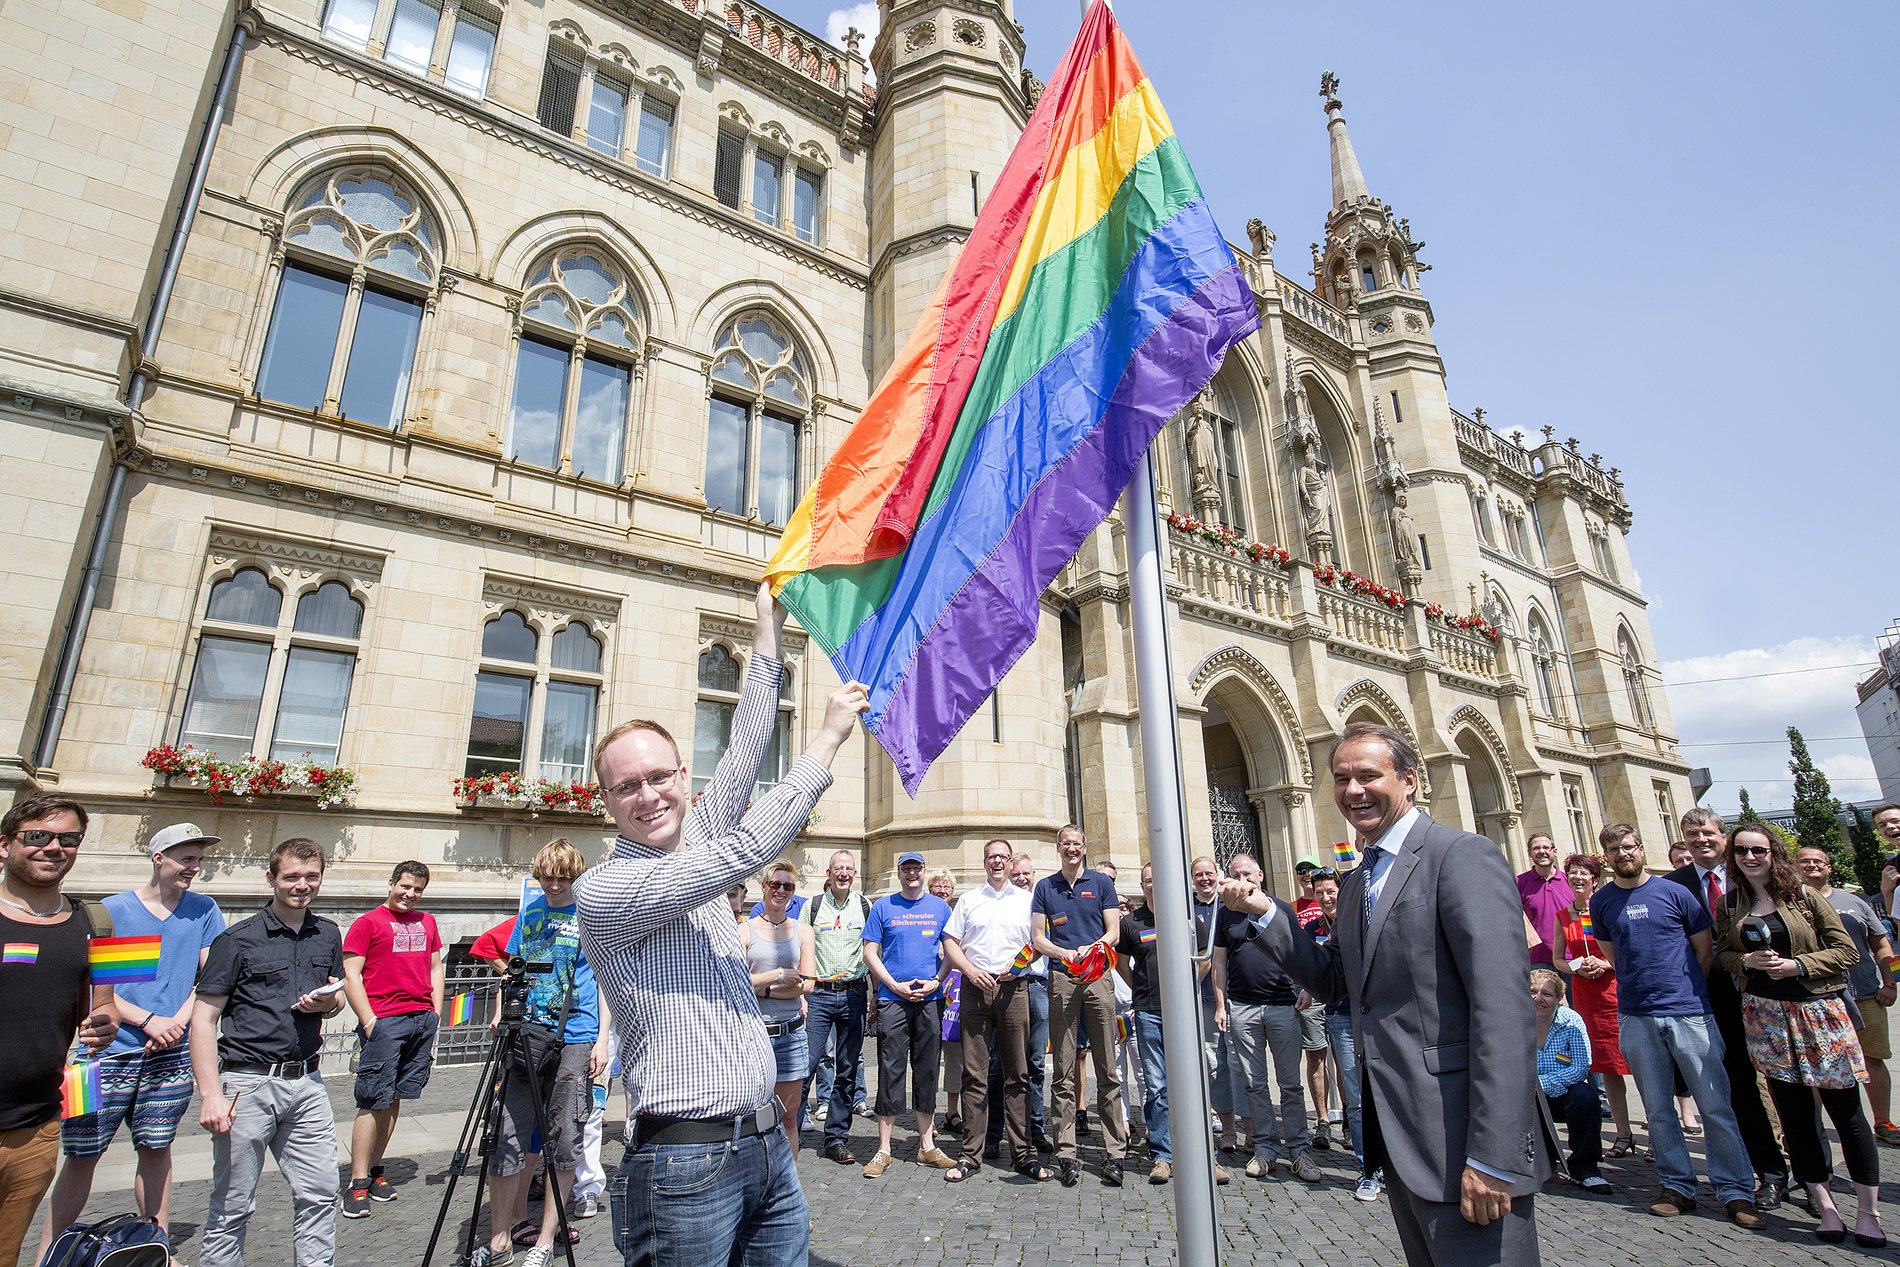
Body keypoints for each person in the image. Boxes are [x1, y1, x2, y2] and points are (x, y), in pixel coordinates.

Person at [575, 582, 863, 1267]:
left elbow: (745, 746)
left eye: (658, 776)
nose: (648, 795)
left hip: (766, 1141)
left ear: (681, 773)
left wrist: (767, 623)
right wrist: (824, 741)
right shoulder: (606, 888)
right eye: (627, 786)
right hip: (684, 1161)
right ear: (607, 800)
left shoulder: (693, 834)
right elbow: (744, 851)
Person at [1221, 722, 1551, 1267]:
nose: (1354, 790)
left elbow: (1504, 1012)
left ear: (1410, 781)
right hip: (1400, 1138)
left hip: (1465, 1139)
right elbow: (1337, 983)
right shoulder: (1358, 881)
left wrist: (1495, 1158)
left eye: (1369, 775)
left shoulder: (1461, 856)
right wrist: (1264, 913)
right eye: (1342, 778)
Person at [36, 821, 223, 1264]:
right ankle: (51, 1250)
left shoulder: (204, 910)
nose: (194, 867)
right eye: (185, 858)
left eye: (198, 859)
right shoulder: (113, 911)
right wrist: (150, 1020)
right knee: (81, 1155)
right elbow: (102, 987)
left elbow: (212, 976)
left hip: (170, 1054)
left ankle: (153, 1242)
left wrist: (176, 1021)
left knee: (157, 1148)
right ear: (159, 859)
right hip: (100, 1054)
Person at [1590, 822, 1762, 1229]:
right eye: (1613, 850)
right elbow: (1614, 956)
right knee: (1658, 1109)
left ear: (1641, 848)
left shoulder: (1675, 892)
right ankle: (1676, 1186)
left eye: (1628, 847)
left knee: (1716, 1105)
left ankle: (1736, 1190)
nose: (1622, 855)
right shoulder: (1602, 902)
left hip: (1689, 1012)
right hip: (1636, 1014)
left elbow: (1705, 952)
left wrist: (1681, 991)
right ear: (1606, 857)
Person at [1717, 826, 1881, 1245]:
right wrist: (1747, 961)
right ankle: (1824, 1205)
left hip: (1818, 1012)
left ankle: (1868, 1212)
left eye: (1759, 849)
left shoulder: (1804, 896)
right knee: (1794, 1116)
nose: (1750, 857)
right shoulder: (1730, 903)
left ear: (1774, 853)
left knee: (1847, 1114)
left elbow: (1847, 951)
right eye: (1741, 850)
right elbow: (1723, 954)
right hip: (1765, 1016)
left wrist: (1799, 966)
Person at [190, 836, 347, 1267]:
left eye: (311, 876)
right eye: (292, 876)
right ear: (271, 879)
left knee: (320, 1194)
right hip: (247, 1082)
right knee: (233, 1205)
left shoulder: (328, 933)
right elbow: (203, 1019)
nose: (302, 885)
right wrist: (210, 1095)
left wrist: (328, 1003)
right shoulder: (237, 940)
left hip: (308, 1082)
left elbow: (337, 999)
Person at [0, 795, 117, 1267]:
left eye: (68, 839)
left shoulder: (97, 923)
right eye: (37, 836)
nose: (54, 847)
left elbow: (104, 1007)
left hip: (36, 1128)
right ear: (4, 845)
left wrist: (103, 1026)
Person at [481, 840, 609, 1267]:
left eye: (562, 878)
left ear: (577, 876)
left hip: (575, 1035)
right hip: (527, 1034)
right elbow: (515, 966)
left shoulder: (591, 916)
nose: (553, 885)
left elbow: (608, 983)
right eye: (546, 877)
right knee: (507, 1135)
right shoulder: (532, 911)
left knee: (565, 1137)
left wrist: (602, 1040)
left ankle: (545, 1240)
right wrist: (503, 1013)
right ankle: (499, 1237)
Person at [1666, 806, 1788, 1209]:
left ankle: (1812, 1174)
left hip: (1772, 994)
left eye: (1707, 832)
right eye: (1691, 834)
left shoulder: (1752, 874)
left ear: (1724, 835)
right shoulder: (1675, 884)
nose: (1700, 840)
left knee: (1791, 1088)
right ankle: (1769, 1172)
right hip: (1715, 998)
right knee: (1739, 1087)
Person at [339, 859, 444, 1219]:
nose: (410, 895)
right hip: (385, 1020)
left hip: (420, 1020)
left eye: (417, 890)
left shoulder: (427, 922)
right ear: (391, 883)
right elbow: (351, 974)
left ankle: (376, 1170)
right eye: (405, 887)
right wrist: (369, 1021)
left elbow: (435, 966)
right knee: (372, 1099)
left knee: (396, 1096)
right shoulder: (367, 923)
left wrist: (435, 1011)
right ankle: (356, 1182)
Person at [941, 838, 1049, 1182]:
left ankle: (1023, 1153)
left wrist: (1018, 967)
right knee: (975, 1074)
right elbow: (950, 942)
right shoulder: (970, 899)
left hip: (1014, 989)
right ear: (984, 862)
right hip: (975, 988)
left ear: (1010, 861)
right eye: (992, 857)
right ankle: (971, 1154)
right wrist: (969, 970)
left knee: (1018, 1073)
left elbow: (1038, 942)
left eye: (1003, 857)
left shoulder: (1028, 899)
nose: (997, 862)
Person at [1032, 824, 1129, 1188]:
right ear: (1058, 848)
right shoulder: (1045, 887)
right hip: (1061, 977)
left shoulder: (1102, 885)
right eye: (1066, 844)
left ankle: (1114, 1152)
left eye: (1077, 844)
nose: (1071, 849)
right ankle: (1066, 1152)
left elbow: (1114, 932)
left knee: (1107, 1067)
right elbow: (1038, 937)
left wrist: (1091, 950)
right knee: (1064, 1068)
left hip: (1098, 976)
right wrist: (1063, 953)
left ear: (1084, 847)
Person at [1214, 852, 1318, 1183]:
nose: (1241, 879)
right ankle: (1266, 1150)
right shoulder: (1225, 914)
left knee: (1290, 1084)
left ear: (1260, 875)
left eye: (1247, 874)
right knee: (1254, 1084)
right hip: (1242, 1007)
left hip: (1281, 1005)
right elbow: (1218, 963)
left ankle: (1300, 1151)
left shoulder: (1280, 908)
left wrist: (1306, 985)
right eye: (1235, 874)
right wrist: (1221, 1004)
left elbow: (1300, 950)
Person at [860, 852, 956, 1176]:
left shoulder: (941, 908)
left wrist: (937, 981)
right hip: (893, 999)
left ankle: (926, 1145)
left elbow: (952, 951)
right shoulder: (883, 907)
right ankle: (883, 1148)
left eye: (917, 868)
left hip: (929, 999)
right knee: (891, 1068)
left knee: (927, 1069)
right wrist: (893, 985)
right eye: (906, 868)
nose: (912, 873)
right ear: (899, 873)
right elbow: (869, 953)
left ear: (923, 872)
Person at [1798, 844, 1900, 1146]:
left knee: (1874, 1060)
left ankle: (1883, 1120)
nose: (1813, 866)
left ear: (1830, 868)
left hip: (1865, 995)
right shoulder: (1788, 902)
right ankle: (1812, 1129)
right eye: (1805, 862)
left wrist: (1891, 983)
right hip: (1814, 999)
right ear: (1794, 867)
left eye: (1819, 861)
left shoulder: (1854, 902)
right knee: (1815, 1067)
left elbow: (1883, 946)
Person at [1549, 853, 1634, 1159]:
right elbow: (1559, 958)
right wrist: (1576, 968)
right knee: (1607, 1067)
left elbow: (1627, 950)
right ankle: (1624, 1134)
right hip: (1587, 995)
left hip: (1617, 992)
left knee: (1639, 1065)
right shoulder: (1564, 916)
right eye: (1572, 873)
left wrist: (1604, 962)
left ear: (1595, 879)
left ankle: (1661, 1135)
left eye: (1584, 873)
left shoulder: (1607, 908)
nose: (1578, 878)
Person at [1299, 868, 1375, 1199]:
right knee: (1356, 1096)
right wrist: (1308, 987)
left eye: (1331, 891)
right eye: (1321, 893)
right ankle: (1367, 1168)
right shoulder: (1314, 928)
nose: (1327, 897)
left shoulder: (1360, 920)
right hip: (1340, 1014)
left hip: (1372, 1011)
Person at [802, 849, 871, 1165]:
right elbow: (799, 947)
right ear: (828, 873)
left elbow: (873, 952)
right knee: (807, 1064)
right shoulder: (812, 907)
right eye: (838, 868)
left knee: (847, 1068)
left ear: (854, 874)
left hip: (855, 994)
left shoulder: (865, 906)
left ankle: (835, 1138)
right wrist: (802, 995)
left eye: (848, 868)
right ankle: (788, 1132)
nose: (843, 873)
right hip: (819, 995)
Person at [743, 857, 815, 1158]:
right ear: (763, 887)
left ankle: (787, 1187)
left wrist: (765, 989)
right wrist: (779, 976)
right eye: (776, 884)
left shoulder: (803, 931)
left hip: (791, 1033)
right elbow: (737, 983)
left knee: (788, 1117)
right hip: (754, 1032)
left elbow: (808, 983)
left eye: (788, 886)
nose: (781, 890)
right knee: (753, 1118)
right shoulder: (744, 931)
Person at [986, 853, 1051, 1158]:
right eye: (1017, 874)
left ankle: (1033, 1129)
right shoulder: (1008, 905)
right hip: (1010, 987)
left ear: (1033, 874)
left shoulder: (1038, 906)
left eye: (1027, 873)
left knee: (1035, 1063)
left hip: (1037, 987)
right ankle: (995, 1131)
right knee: (1000, 1063)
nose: (1022, 878)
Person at [1528, 969, 1610, 1193]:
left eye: (1547, 994)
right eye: (1532, 992)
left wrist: (1542, 1084)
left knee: (1586, 1097)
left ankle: (1585, 1168)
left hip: (1563, 1093)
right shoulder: (1514, 1023)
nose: (1538, 998)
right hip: (1527, 1094)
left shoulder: (1572, 1021)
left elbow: (1581, 1068)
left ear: (1559, 998)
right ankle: (1536, 1163)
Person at [1191, 855, 1244, 1154]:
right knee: (1215, 1065)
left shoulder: (1230, 905)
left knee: (1241, 1065)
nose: (1205, 879)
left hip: (1236, 996)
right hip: (1206, 998)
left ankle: (1252, 1129)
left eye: (1209, 873)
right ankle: (1227, 1129)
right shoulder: (1186, 909)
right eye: (1199, 875)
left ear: (1218, 875)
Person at [928, 869, 963, 1135]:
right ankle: (926, 1114)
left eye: (946, 887)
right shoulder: (926, 914)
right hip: (928, 995)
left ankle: (952, 1112)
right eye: (937, 886)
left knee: (955, 1057)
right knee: (927, 1057)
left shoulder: (958, 916)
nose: (942, 891)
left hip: (955, 998)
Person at [1517, 833, 1570, 968]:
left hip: (1571, 957)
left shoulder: (1571, 881)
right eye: (1536, 848)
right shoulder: (1518, 883)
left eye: (1546, 847)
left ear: (1555, 851)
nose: (1542, 851)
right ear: (1529, 853)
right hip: (1537, 960)